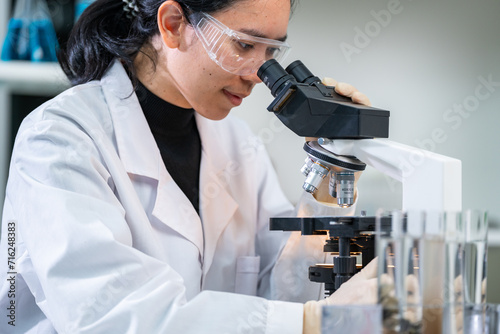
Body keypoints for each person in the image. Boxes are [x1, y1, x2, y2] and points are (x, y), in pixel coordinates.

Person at [0, 0, 376, 333]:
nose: (257, 76)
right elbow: (114, 317)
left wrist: (333, 166)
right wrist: (313, 323)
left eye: (271, 52)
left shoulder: (239, 146)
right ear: (173, 24)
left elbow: (288, 290)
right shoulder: (60, 139)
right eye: (244, 44)